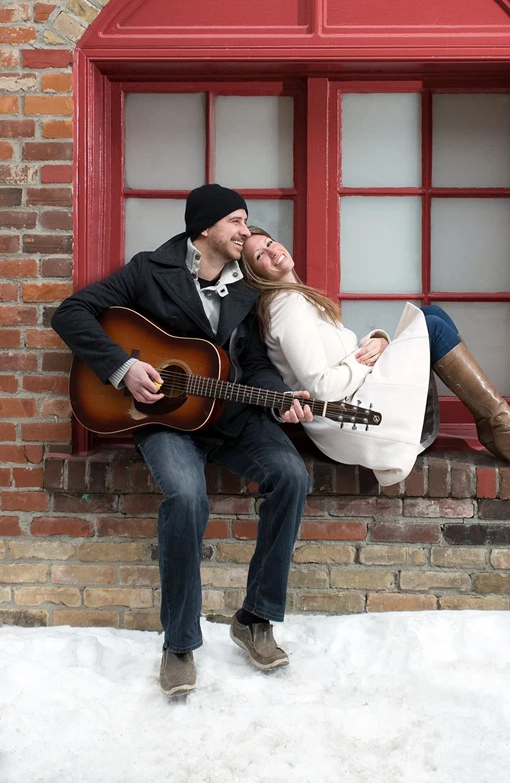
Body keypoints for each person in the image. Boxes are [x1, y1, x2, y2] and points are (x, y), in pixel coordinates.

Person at [51, 186, 314, 699]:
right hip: (166, 420)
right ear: (206, 228)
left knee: (291, 476)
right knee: (187, 495)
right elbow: (71, 313)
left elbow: (256, 363)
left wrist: (279, 397)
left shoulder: (249, 286)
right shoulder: (149, 270)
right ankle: (179, 646)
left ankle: (255, 619)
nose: (246, 231)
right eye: (237, 221)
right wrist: (123, 368)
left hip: (234, 415)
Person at [240, 227, 510, 482]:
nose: (271, 252)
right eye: (259, 256)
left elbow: (343, 353)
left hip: (356, 400)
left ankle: (498, 426)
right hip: (350, 419)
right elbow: (321, 387)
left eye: (269, 243)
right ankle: (501, 426)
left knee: (433, 317)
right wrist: (365, 364)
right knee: (432, 324)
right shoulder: (286, 306)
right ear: (255, 275)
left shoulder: (297, 299)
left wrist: (380, 343)